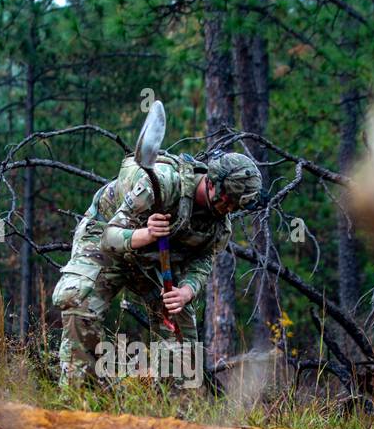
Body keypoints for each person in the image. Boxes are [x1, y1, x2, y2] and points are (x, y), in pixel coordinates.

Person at [52, 147, 262, 385]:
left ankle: (175, 406)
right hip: (107, 239)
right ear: (214, 184)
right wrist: (147, 234)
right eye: (229, 201)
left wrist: (186, 291)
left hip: (154, 259)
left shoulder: (219, 227)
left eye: (237, 206)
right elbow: (110, 236)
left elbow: (202, 262)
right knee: (78, 297)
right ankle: (80, 392)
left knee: (179, 331)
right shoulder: (163, 182)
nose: (231, 209)